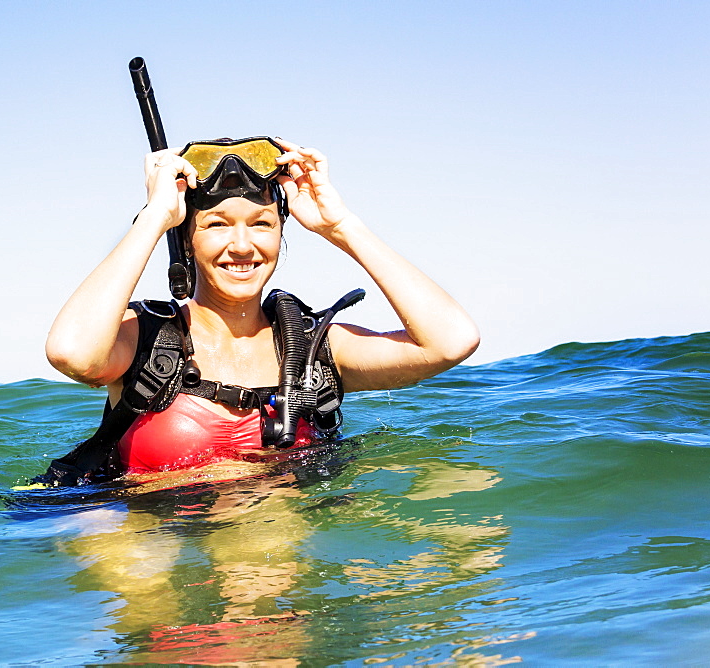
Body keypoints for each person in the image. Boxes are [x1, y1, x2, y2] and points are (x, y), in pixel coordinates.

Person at [43, 137, 479, 480]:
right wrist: (155, 218)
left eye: (262, 224)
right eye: (216, 225)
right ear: (186, 240)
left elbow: (450, 342)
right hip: (146, 526)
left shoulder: (312, 350)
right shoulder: (146, 339)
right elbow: (73, 352)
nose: (242, 246)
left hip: (270, 532)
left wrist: (342, 227)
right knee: (139, 560)